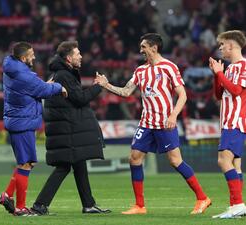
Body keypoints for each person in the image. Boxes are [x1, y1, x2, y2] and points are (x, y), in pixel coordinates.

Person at [95, 33, 211, 215]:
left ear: (154, 47)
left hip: (165, 122)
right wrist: (106, 85)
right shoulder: (140, 70)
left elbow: (183, 95)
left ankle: (202, 198)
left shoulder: (169, 67)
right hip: (146, 123)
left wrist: (173, 115)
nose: (140, 50)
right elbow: (126, 92)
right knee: (134, 158)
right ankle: (139, 206)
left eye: (143, 47)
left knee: (175, 161)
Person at [30, 41, 111, 215]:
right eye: (77, 53)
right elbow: (80, 98)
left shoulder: (62, 74)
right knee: (64, 167)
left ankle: (88, 204)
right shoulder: (63, 75)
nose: (81, 56)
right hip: (67, 128)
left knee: (78, 164)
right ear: (68, 58)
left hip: (65, 127)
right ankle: (39, 205)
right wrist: (99, 86)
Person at [0, 42, 67, 216]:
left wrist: (43, 85)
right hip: (23, 123)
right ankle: (20, 208)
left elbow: (35, 87)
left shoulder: (13, 68)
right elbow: (41, 89)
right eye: (31, 54)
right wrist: (59, 87)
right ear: (23, 58)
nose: (34, 57)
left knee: (26, 162)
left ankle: (6, 195)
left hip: (20, 120)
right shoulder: (24, 76)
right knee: (26, 164)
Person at [209, 30, 246, 219]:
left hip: (236, 121)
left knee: (223, 160)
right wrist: (217, 75)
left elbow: (236, 90)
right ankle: (235, 207)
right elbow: (218, 95)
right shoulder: (231, 68)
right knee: (234, 165)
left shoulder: (244, 66)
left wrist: (219, 73)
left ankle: (238, 204)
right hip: (227, 121)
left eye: (222, 45)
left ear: (231, 45)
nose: (220, 48)